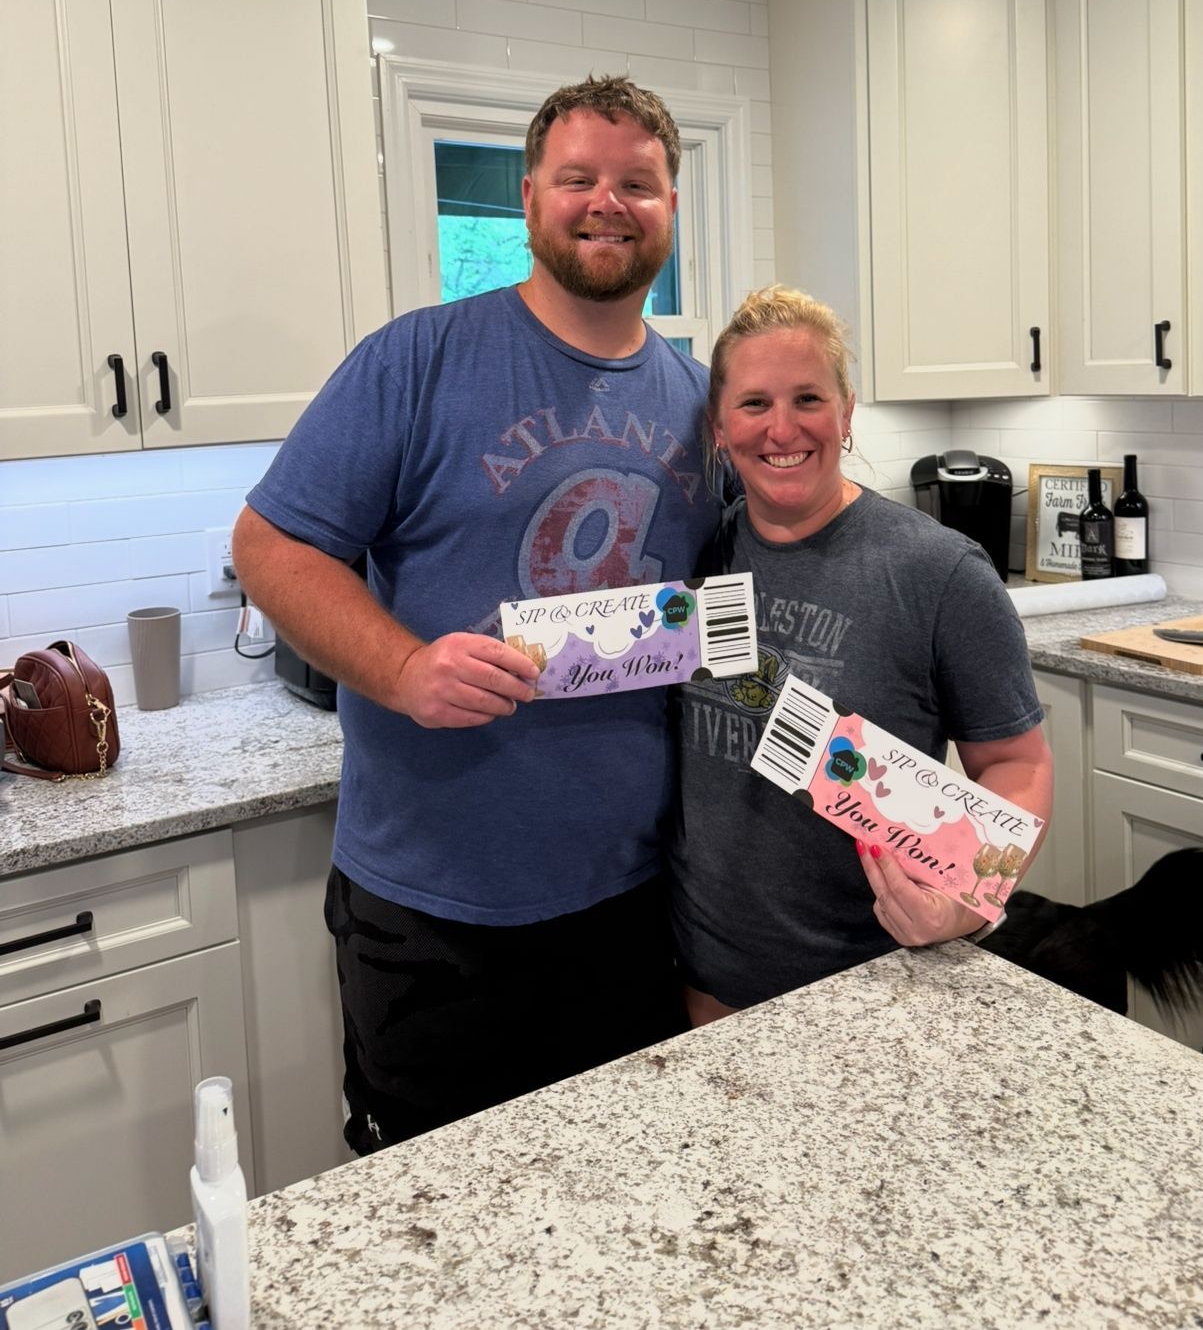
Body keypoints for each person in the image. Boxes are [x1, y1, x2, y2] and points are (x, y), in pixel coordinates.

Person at [232, 75, 722, 1148]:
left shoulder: (693, 398)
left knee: (618, 1199)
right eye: (578, 178)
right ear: (528, 197)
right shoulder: (416, 360)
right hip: (433, 917)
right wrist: (404, 669)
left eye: (638, 182)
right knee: (431, 1219)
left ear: (672, 207)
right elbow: (268, 546)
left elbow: (724, 617)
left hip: (631, 905)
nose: (608, 202)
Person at [669, 286, 1053, 1023]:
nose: (782, 428)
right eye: (753, 404)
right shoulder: (698, 555)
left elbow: (1020, 765)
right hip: (707, 984)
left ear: (846, 413)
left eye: (807, 397)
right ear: (720, 426)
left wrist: (959, 905)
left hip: (872, 989)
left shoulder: (939, 572)